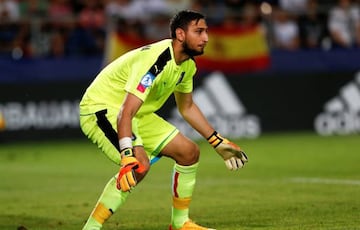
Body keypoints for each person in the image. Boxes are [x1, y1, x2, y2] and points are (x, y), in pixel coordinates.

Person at [79, 10, 248, 230]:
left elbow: (186, 107)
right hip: (101, 108)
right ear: (180, 34)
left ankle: (180, 224)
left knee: (189, 152)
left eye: (206, 31)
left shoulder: (187, 66)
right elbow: (125, 112)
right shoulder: (157, 60)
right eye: (199, 31)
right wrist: (127, 154)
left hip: (136, 113)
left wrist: (216, 141)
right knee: (137, 166)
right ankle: (91, 228)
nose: (206, 38)